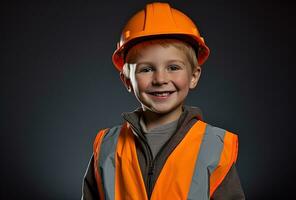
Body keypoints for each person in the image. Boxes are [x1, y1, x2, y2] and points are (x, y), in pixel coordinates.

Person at [81, 2, 245, 200]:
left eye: (173, 67)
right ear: (127, 80)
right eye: (146, 69)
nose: (160, 79)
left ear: (193, 76)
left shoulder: (215, 146)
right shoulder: (108, 145)